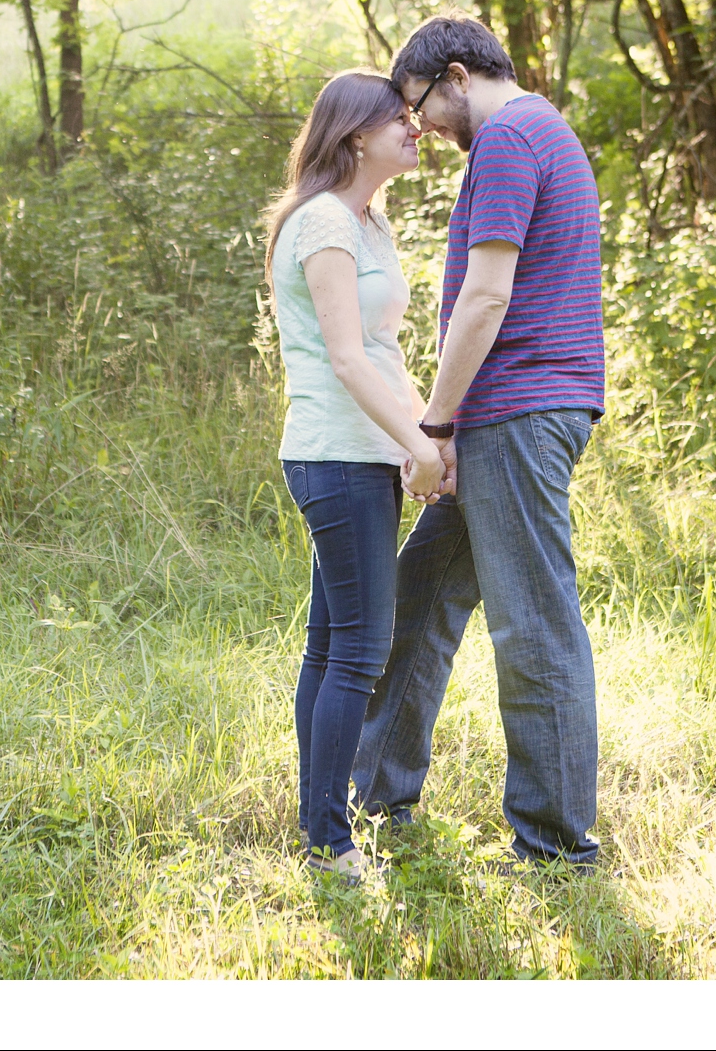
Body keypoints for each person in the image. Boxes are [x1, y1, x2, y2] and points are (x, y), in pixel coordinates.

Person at [352, 15, 608, 870]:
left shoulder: (508, 138)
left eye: (420, 105)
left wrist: (433, 422)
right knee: (420, 596)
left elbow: (487, 299)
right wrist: (457, 421)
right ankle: (377, 797)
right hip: (502, 414)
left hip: (520, 416)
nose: (419, 126)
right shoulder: (540, 130)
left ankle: (553, 844)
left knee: (533, 626)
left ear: (456, 74)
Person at [263, 70, 444, 880]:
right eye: (399, 117)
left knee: (330, 646)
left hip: (364, 451)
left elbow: (382, 354)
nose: (416, 127)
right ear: (354, 134)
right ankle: (330, 840)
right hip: (334, 455)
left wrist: (422, 434)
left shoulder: (371, 223)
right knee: (361, 653)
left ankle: (316, 820)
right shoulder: (325, 224)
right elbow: (341, 359)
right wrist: (420, 443)